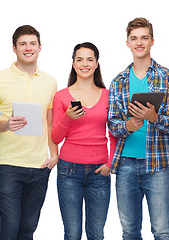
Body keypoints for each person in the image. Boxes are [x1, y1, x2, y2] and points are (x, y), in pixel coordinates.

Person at [108, 17, 169, 240]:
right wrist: (127, 126)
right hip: (125, 165)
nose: (139, 42)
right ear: (127, 43)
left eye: (144, 38)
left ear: (152, 41)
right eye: (134, 38)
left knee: (161, 230)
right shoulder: (118, 81)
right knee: (129, 232)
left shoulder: (168, 78)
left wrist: (154, 117)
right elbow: (112, 124)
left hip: (158, 164)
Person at [0, 25, 58, 240]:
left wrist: (54, 155)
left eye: (32, 43)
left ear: (40, 47)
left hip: (39, 166)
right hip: (8, 164)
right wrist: (7, 124)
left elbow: (51, 123)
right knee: (9, 227)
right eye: (23, 44)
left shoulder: (50, 82)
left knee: (28, 228)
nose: (28, 48)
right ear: (14, 49)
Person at [51, 42, 113, 240]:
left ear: (96, 64)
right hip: (69, 170)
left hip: (99, 172)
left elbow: (114, 134)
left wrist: (110, 164)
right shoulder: (61, 96)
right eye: (80, 59)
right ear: (73, 63)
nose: (84, 64)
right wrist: (68, 116)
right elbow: (55, 137)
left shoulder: (108, 96)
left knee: (96, 234)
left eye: (89, 59)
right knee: (72, 234)